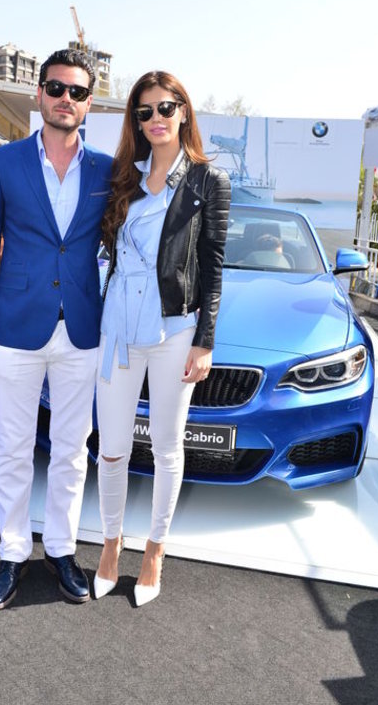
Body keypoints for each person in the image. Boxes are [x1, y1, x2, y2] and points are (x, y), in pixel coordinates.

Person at [0, 49, 113, 610]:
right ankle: (11, 551)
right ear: (40, 94)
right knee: (13, 446)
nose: (65, 99)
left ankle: (60, 548)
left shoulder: (106, 170)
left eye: (77, 92)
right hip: (15, 327)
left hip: (81, 328)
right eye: (56, 88)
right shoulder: (3, 164)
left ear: (88, 103)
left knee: (73, 449)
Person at [93, 70, 231, 606]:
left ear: (183, 111)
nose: (156, 119)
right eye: (144, 111)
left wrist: (205, 340)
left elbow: (212, 266)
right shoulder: (122, 177)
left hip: (176, 329)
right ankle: (110, 545)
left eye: (165, 108)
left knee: (167, 448)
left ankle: (154, 550)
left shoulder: (207, 181)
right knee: (111, 449)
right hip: (118, 327)